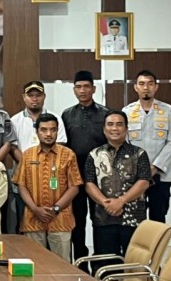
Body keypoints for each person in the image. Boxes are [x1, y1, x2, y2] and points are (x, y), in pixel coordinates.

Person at [84, 111, 152, 265]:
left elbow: (144, 181)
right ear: (104, 129)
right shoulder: (94, 154)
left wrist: (121, 201)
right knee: (105, 264)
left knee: (134, 263)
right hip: (103, 218)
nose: (115, 128)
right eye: (110, 124)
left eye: (119, 124)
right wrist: (106, 203)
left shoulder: (139, 153)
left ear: (126, 129)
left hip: (133, 219)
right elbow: (89, 183)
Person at [13, 114, 82, 261]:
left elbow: (74, 186)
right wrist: (35, 209)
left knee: (62, 266)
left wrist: (56, 208)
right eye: (44, 130)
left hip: (60, 219)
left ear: (58, 131)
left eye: (53, 130)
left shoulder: (68, 155)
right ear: (37, 132)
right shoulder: (27, 155)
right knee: (35, 265)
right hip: (33, 218)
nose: (49, 134)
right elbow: (21, 185)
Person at [61, 70, 108, 263]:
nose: (83, 90)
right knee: (77, 223)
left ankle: (100, 264)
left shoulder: (106, 113)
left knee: (100, 222)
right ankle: (79, 264)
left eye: (86, 86)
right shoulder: (67, 115)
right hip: (76, 179)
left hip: (100, 178)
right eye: (78, 87)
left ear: (94, 89)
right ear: (74, 90)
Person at [10, 81, 67, 234]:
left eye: (38, 95)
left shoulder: (55, 118)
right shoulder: (14, 120)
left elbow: (60, 145)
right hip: (24, 181)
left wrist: (42, 166)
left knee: (54, 225)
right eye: (30, 95)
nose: (34, 99)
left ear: (44, 97)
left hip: (52, 181)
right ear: (24, 97)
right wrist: (30, 166)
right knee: (25, 224)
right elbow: (13, 148)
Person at [122, 70, 171, 223]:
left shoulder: (168, 111)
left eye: (150, 84)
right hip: (135, 175)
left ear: (156, 87)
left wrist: (155, 167)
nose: (146, 88)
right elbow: (124, 142)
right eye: (141, 84)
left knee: (158, 218)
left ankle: (158, 248)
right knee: (134, 218)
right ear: (135, 87)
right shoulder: (127, 112)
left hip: (161, 175)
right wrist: (140, 169)